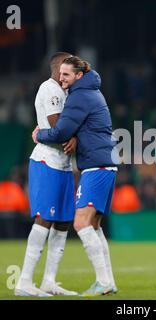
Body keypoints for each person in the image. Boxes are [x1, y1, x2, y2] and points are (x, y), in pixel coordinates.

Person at [32, 56, 118, 296]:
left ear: (79, 75)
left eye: (67, 75)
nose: (62, 79)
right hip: (103, 164)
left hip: (96, 166)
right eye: (61, 75)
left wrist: (40, 135)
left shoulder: (79, 96)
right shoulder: (90, 91)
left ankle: (103, 281)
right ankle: (108, 280)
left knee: (80, 222)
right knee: (94, 224)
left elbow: (61, 131)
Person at [15, 52, 78, 297]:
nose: (67, 74)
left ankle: (49, 280)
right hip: (46, 161)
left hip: (63, 164)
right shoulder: (49, 89)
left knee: (63, 221)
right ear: (56, 68)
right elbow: (57, 126)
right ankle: (24, 281)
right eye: (65, 69)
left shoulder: (65, 92)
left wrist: (73, 135)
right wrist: (73, 135)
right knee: (44, 218)